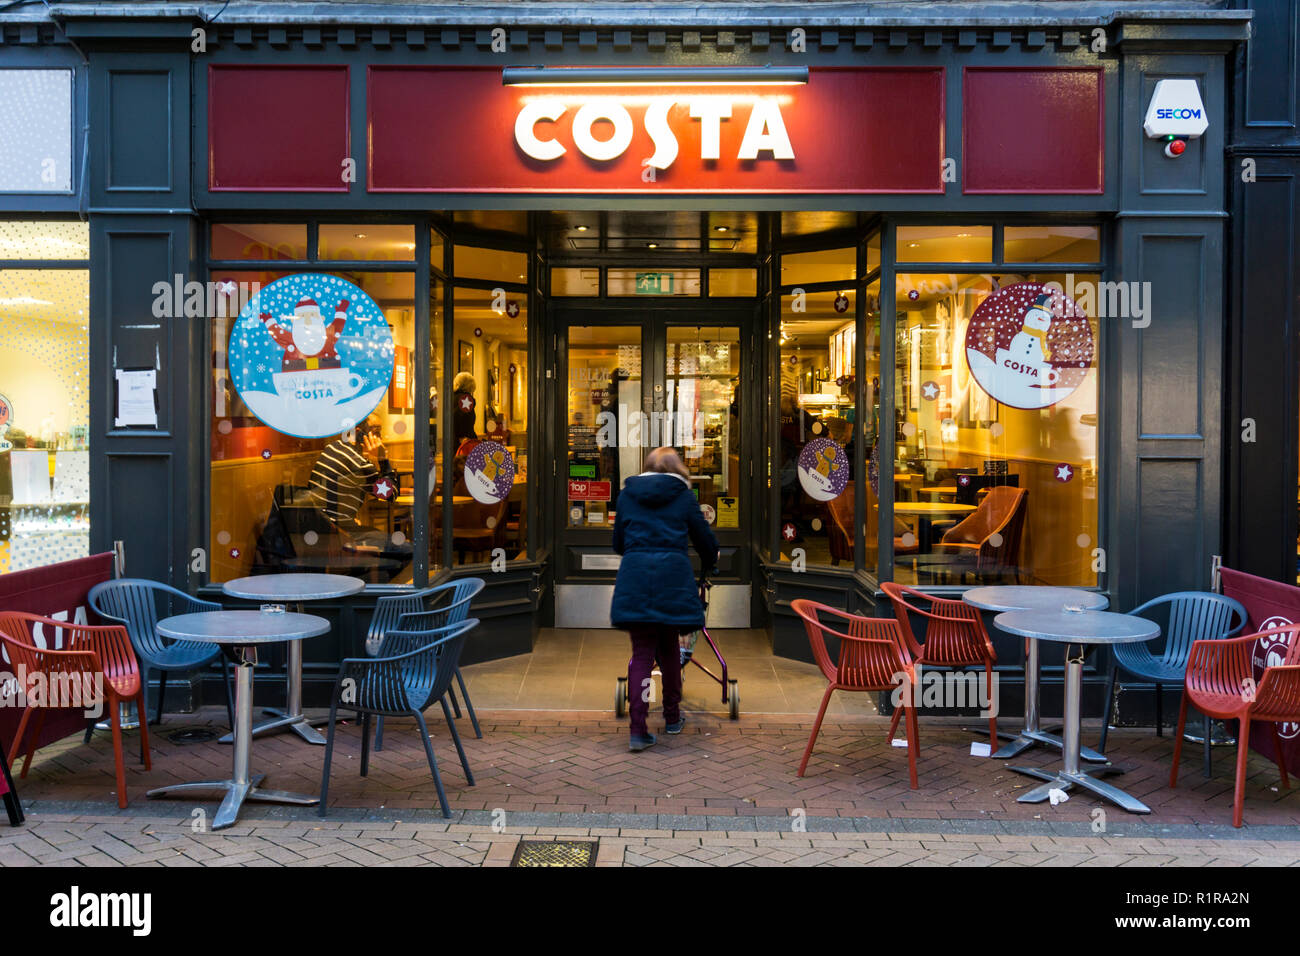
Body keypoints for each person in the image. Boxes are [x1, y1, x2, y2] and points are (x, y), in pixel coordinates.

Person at [611, 447, 719, 752]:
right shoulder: (683, 496)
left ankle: (638, 728)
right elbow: (704, 540)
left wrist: (637, 552)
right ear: (677, 469)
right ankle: (672, 717)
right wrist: (712, 558)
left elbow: (618, 542)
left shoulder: (627, 496)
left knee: (642, 654)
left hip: (635, 579)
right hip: (672, 580)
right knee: (670, 650)